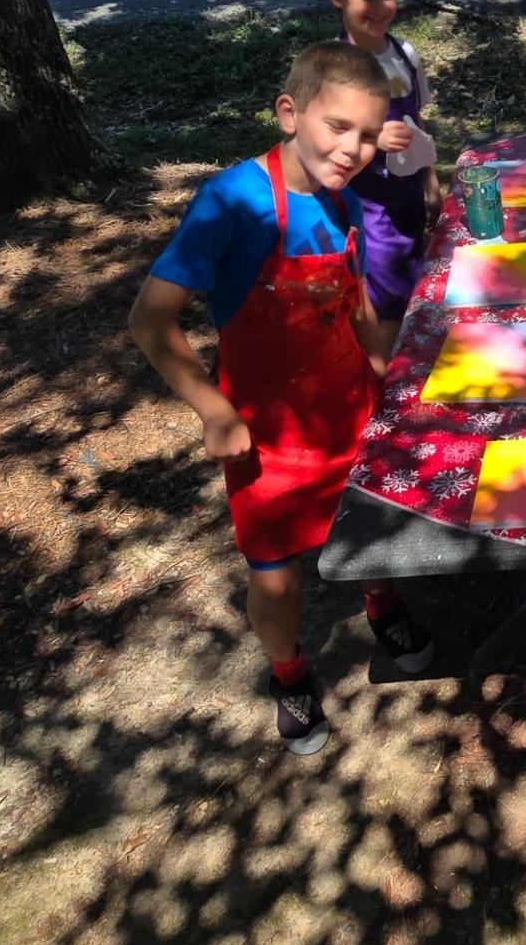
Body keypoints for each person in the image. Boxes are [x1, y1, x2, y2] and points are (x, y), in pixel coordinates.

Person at [129, 41, 434, 757]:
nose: (353, 148)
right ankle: (289, 671)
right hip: (266, 441)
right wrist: (214, 409)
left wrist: (381, 363)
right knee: (276, 582)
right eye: (338, 127)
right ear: (290, 112)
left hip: (348, 411)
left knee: (374, 532)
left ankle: (381, 600)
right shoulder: (231, 202)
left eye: (367, 134)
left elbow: (353, 298)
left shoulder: (343, 195)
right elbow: (150, 317)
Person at [324, 0, 442, 359]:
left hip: (407, 198)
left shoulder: (404, 53)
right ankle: (385, 374)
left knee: (415, 282)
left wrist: (430, 179)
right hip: (365, 207)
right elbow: (324, 147)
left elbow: (419, 121)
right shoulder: (335, 67)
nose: (379, 8)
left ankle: (407, 360)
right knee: (384, 293)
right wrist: (373, 142)